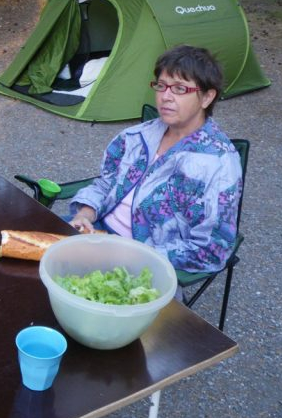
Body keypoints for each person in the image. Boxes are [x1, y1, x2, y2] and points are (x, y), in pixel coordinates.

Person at [68, 45, 242, 274]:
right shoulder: (137, 137)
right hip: (96, 233)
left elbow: (213, 249)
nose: (166, 97)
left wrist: (134, 254)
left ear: (207, 97)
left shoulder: (218, 164)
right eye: (161, 86)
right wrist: (84, 214)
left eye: (180, 89)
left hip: (145, 260)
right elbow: (105, 184)